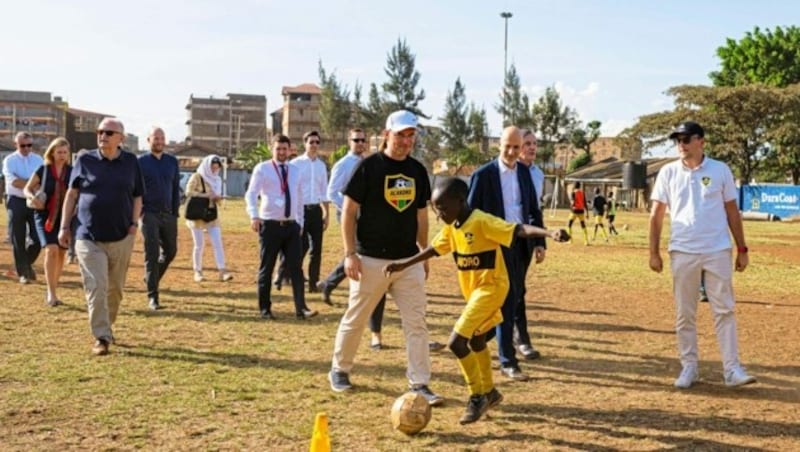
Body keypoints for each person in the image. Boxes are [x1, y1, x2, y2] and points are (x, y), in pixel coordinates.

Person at [384, 178, 566, 424]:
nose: (439, 213)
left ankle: (477, 395)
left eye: (443, 207)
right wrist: (403, 264)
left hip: (491, 289)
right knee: (478, 341)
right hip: (474, 292)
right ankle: (490, 391)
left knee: (457, 343)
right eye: (436, 208)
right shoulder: (453, 226)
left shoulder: (481, 221)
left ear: (461, 202)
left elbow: (518, 229)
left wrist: (549, 232)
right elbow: (434, 249)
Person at [328, 110, 443, 406]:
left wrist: (423, 252)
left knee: (416, 323)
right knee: (356, 317)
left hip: (407, 262)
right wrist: (349, 254)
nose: (406, 141)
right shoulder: (368, 167)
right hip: (369, 260)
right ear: (386, 134)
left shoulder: (418, 171)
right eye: (400, 134)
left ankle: (420, 383)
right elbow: (349, 213)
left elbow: (421, 215)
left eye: (411, 135)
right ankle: (340, 370)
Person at [649, 121, 756, 389]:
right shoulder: (668, 172)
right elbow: (657, 214)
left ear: (701, 142)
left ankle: (732, 370)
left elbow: (732, 211)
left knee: (725, 310)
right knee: (685, 312)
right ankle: (689, 367)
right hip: (682, 250)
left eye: (686, 139)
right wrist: (653, 252)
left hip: (717, 250)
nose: (681, 145)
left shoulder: (720, 170)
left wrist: (742, 248)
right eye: (677, 141)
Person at [58, 118, 144, 356]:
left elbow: (138, 196)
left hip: (121, 236)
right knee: (96, 286)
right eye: (100, 132)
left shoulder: (131, 162)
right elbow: (72, 195)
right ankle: (101, 336)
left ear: (121, 139)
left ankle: (107, 325)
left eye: (108, 132)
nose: (102, 135)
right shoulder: (85, 160)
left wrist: (133, 226)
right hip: (87, 236)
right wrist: (65, 227)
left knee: (115, 290)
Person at [467, 126, 546, 381]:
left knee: (514, 297)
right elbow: (470, 214)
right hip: (494, 246)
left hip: (521, 245)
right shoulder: (483, 175)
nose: (512, 152)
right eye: (507, 147)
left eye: (516, 147)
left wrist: (540, 241)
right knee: (505, 300)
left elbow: (532, 209)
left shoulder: (524, 173)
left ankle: (478, 336)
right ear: (498, 145)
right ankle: (507, 360)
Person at [245, 134, 317, 320]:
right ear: (272, 149)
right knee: (267, 268)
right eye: (278, 148)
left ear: (290, 149)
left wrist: (299, 222)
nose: (281, 152)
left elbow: (299, 197)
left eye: (284, 148)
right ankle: (265, 309)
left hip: (291, 226)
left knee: (296, 269)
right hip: (270, 225)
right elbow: (251, 194)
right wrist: (254, 215)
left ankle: (301, 308)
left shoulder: (295, 170)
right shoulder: (263, 169)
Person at [278, 130, 329, 292]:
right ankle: (285, 274)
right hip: (300, 210)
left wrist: (326, 213)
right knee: (298, 246)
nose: (314, 145)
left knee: (317, 249)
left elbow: (324, 191)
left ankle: (313, 283)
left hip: (315, 211)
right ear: (305, 144)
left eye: (317, 142)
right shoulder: (296, 164)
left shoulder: (321, 166)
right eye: (311, 142)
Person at [23, 137, 72, 306]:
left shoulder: (72, 171)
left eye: (65, 152)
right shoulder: (43, 170)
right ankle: (50, 293)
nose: (62, 155)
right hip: (44, 215)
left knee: (60, 253)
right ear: (52, 152)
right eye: (59, 152)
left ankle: (54, 288)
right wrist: (32, 198)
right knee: (51, 249)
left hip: (64, 216)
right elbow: (27, 188)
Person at [513, 129, 547, 361]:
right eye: (527, 143)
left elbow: (535, 211)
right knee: (506, 290)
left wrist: (540, 241)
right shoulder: (502, 172)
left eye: (534, 143)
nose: (532, 147)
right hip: (502, 237)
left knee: (518, 289)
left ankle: (519, 338)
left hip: (524, 238)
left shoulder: (537, 174)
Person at [138, 127, 180, 310]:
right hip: (149, 214)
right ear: (148, 140)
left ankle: (151, 277)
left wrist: (175, 212)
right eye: (156, 138)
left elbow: (176, 187)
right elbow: (135, 188)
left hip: (169, 214)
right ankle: (153, 296)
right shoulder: (140, 162)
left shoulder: (172, 162)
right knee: (152, 253)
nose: (159, 141)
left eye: (162, 138)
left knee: (170, 252)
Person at [3, 132, 43, 283]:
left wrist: (26, 183)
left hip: (33, 201)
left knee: (37, 239)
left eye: (29, 145)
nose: (26, 148)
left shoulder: (38, 159)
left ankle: (25, 264)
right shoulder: (9, 160)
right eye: (23, 145)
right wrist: (31, 183)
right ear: (16, 145)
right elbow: (13, 182)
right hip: (16, 201)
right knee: (17, 237)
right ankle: (24, 273)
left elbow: (41, 181)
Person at [186, 155, 233, 283]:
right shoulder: (197, 176)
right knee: (199, 245)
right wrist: (206, 195)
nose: (214, 170)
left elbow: (219, 201)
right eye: (212, 167)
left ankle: (222, 271)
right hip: (197, 215)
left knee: (218, 243)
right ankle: (198, 271)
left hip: (211, 215)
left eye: (216, 168)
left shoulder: (217, 180)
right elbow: (188, 192)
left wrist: (218, 199)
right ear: (207, 166)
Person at [567, 181, 589, 245]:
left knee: (569, 224)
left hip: (574, 211)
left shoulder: (573, 193)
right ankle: (586, 241)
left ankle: (570, 240)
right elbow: (585, 203)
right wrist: (587, 213)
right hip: (581, 211)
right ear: (579, 186)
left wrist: (571, 207)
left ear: (574, 186)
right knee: (583, 225)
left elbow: (573, 203)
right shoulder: (582, 193)